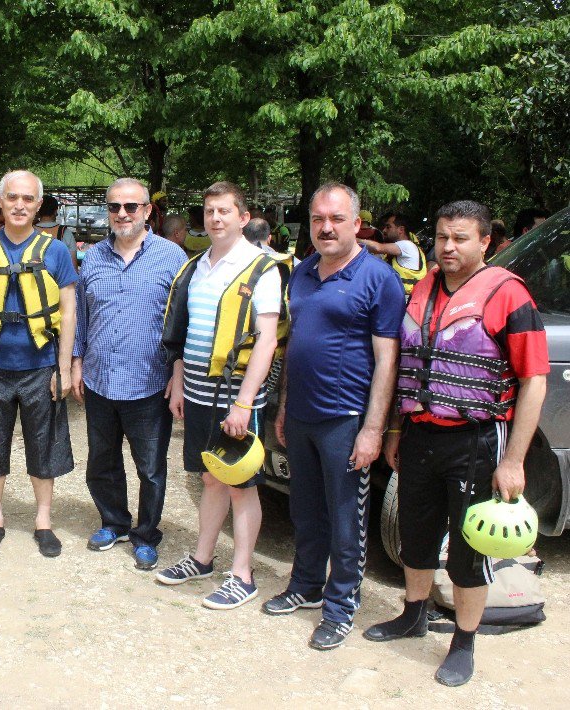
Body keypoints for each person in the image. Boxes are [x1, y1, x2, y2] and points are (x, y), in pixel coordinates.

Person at [364, 201, 549, 686]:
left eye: (461, 238)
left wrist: (513, 461)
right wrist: (396, 432)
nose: (448, 247)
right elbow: (409, 363)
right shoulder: (423, 286)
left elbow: (534, 381)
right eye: (443, 237)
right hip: (420, 435)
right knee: (415, 534)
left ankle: (464, 640)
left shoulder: (509, 295)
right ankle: (413, 613)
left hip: (477, 440)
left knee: (469, 550)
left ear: (485, 242)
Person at [265, 182, 405, 649]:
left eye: (337, 219)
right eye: (318, 219)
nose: (326, 227)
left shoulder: (378, 278)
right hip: (301, 414)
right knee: (304, 510)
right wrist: (284, 407)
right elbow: (294, 343)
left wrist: (373, 428)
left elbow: (388, 360)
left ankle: (341, 605)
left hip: (346, 418)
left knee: (346, 519)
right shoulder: (301, 272)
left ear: (357, 224)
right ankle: (306, 586)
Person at [156, 181, 284, 609]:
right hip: (196, 388)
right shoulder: (197, 266)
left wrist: (245, 403)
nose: (215, 219)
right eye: (210, 211)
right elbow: (185, 329)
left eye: (225, 211)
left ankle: (243, 574)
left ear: (243, 218)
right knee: (209, 476)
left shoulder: (261, 268)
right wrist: (177, 378)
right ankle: (202, 557)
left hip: (236, 395)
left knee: (240, 484)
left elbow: (266, 341)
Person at [0, 170, 77, 557]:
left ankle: (43, 522)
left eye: (28, 199)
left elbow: (70, 311)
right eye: (12, 198)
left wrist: (63, 368)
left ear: (39, 205)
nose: (20, 205)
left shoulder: (55, 251)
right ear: (0, 201)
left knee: (44, 447)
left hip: (41, 367)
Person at [71, 178, 187, 570]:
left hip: (150, 382)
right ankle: (114, 522)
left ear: (147, 211)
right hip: (100, 379)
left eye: (131, 206)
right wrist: (76, 362)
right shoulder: (93, 258)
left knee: (151, 468)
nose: (122, 213)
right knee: (101, 461)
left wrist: (179, 373)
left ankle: (146, 533)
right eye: (114, 206)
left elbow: (181, 322)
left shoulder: (172, 258)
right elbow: (81, 318)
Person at [362, 212, 427, 295]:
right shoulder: (393, 252)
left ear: (401, 230)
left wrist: (353, 241)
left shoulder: (407, 245)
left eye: (388, 227)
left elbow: (378, 248)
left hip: (405, 300)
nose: (384, 230)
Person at [36, 194, 79, 269]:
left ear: (38, 211)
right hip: (58, 279)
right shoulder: (65, 233)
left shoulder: (29, 231)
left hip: (33, 279)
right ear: (56, 212)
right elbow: (73, 267)